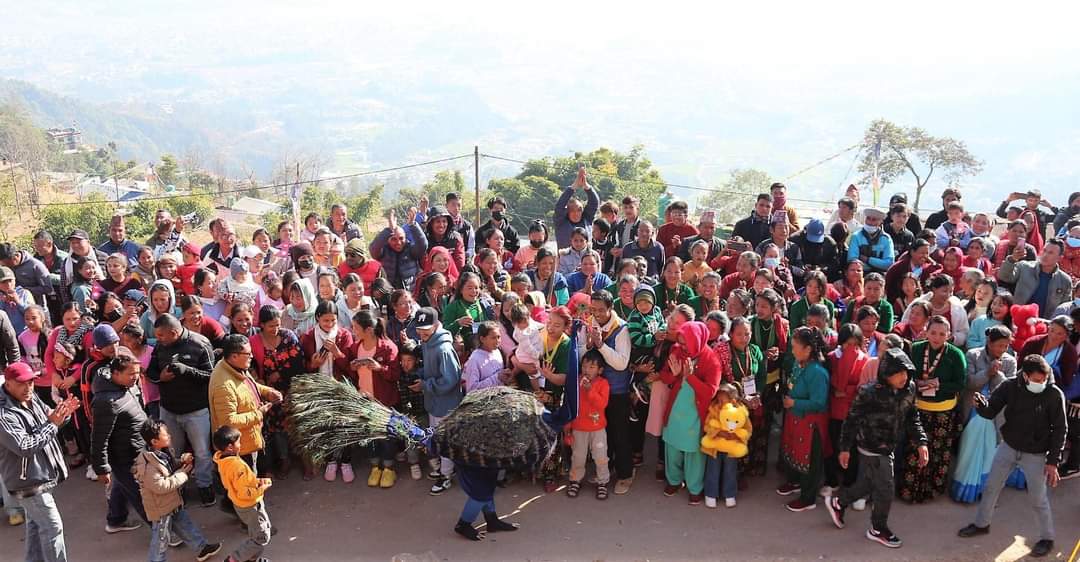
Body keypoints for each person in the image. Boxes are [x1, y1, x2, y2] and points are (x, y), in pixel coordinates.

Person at [957, 354, 1066, 558]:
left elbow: (1060, 429)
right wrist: (981, 406)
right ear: (1024, 376)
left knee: (1037, 498)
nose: (1040, 383)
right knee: (991, 487)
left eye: (1043, 379)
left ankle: (1046, 538)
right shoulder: (1009, 387)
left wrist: (1053, 462)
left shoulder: (1053, 394)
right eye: (1036, 380)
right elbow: (991, 411)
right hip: (1008, 446)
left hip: (1036, 453)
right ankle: (982, 524)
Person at [823, 348, 929, 549]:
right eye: (897, 373)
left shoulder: (909, 389)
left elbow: (912, 417)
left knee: (870, 482)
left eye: (905, 373)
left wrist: (921, 442)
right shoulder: (869, 392)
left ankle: (839, 502)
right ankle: (878, 529)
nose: (903, 378)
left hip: (890, 444)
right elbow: (852, 420)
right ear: (886, 373)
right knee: (886, 488)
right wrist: (844, 448)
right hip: (871, 446)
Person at [147, 313, 217, 507]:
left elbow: (211, 376)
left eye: (161, 336)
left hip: (196, 410)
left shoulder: (199, 344)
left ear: (174, 332)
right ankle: (179, 487)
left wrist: (187, 371)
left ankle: (205, 485)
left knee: (202, 452)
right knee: (172, 451)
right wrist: (161, 377)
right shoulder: (161, 346)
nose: (158, 340)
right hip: (169, 409)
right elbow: (151, 372)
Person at [899, 315, 966, 503]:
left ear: (949, 335)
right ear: (926, 332)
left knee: (938, 453)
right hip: (918, 409)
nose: (937, 337)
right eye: (933, 333)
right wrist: (916, 384)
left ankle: (932, 491)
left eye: (942, 334)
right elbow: (905, 375)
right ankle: (909, 491)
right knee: (914, 450)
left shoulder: (955, 355)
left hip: (944, 411)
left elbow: (960, 383)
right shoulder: (916, 349)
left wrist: (937, 385)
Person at [135, 419, 222, 562]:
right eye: (165, 434)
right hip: (161, 508)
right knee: (161, 540)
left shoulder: (161, 453)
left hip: (171, 503)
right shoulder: (148, 466)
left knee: (185, 524)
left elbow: (169, 467)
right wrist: (182, 474)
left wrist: (181, 461)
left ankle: (201, 548)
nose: (169, 435)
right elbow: (160, 486)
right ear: (154, 441)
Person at [658, 321, 721, 505]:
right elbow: (665, 375)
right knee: (672, 446)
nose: (682, 346)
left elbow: (710, 392)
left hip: (695, 412)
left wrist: (689, 377)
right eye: (680, 342)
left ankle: (695, 487)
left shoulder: (711, 360)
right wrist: (676, 374)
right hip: (677, 408)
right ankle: (674, 481)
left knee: (693, 451)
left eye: (686, 342)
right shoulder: (677, 351)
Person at [952, 326, 1017, 502]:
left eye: (1005, 346)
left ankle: (985, 491)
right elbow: (970, 382)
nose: (1002, 350)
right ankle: (964, 488)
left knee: (991, 454)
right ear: (989, 342)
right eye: (999, 345)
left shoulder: (1010, 361)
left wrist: (998, 374)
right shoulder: (973, 355)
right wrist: (987, 372)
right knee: (968, 451)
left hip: (995, 414)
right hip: (973, 411)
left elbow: (1009, 389)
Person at [577, 291, 633, 494]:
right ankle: (605, 470)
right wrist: (589, 346)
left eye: (602, 310)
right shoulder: (587, 324)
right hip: (592, 389)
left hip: (616, 390)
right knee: (602, 432)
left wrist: (600, 346)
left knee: (619, 434)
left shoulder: (621, 329)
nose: (597, 314)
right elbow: (581, 353)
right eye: (593, 309)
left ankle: (625, 475)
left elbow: (621, 363)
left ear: (611, 309)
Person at [91, 349, 150, 531]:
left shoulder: (125, 387)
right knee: (141, 495)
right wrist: (101, 468)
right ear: (116, 374)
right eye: (131, 374)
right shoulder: (106, 401)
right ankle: (162, 531)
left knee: (121, 485)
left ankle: (116, 519)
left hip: (135, 449)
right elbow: (99, 438)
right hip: (125, 457)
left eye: (137, 373)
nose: (135, 378)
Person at [407, 307, 463, 495]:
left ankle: (446, 477)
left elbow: (450, 380)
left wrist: (425, 385)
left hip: (445, 404)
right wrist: (421, 377)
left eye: (426, 329)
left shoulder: (443, 348)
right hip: (434, 402)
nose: (421, 333)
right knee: (437, 438)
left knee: (444, 440)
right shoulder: (427, 341)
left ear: (436, 325)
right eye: (419, 329)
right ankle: (444, 469)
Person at [776, 326, 831, 512]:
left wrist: (794, 403)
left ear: (808, 350)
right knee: (794, 452)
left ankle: (808, 498)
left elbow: (819, 402)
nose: (792, 351)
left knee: (810, 460)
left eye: (795, 347)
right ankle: (795, 482)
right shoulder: (799, 364)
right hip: (796, 419)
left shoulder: (817, 372)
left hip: (811, 425)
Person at [213, 425, 273, 562]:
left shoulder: (222, 460)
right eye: (239, 442)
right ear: (230, 447)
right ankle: (235, 559)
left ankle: (250, 559)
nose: (241, 444)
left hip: (240, 504)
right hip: (250, 505)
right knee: (262, 537)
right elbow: (244, 492)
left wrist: (256, 481)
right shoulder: (237, 466)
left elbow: (240, 483)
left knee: (256, 532)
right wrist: (261, 488)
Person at [566, 349, 610, 500]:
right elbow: (570, 405)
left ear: (600, 370)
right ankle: (575, 480)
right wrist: (568, 428)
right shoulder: (575, 382)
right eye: (585, 366)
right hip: (578, 428)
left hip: (598, 428)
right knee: (578, 456)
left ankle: (602, 481)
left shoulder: (603, 384)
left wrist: (590, 390)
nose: (587, 370)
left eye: (592, 367)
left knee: (601, 456)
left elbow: (602, 404)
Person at [700, 382, 750, 508]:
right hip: (715, 447)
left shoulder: (740, 411)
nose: (720, 403)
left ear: (733, 400)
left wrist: (737, 435)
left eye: (723, 400)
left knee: (730, 470)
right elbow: (707, 426)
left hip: (731, 447)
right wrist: (718, 432)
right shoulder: (713, 408)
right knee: (712, 469)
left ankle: (730, 494)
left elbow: (747, 429)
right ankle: (710, 494)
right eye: (718, 400)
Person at [997, 237, 1071, 319]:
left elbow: (1065, 308)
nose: (1045, 255)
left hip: (1045, 324)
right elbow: (1004, 277)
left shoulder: (1065, 281)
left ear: (1059, 258)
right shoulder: (1024, 267)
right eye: (1044, 250)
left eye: (1050, 253)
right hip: (1018, 318)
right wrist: (1012, 259)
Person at [369, 210, 428, 291]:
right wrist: (389, 230)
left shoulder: (410, 249)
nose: (398, 242)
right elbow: (373, 249)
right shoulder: (384, 250)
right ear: (388, 239)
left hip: (409, 292)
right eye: (394, 239)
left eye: (401, 238)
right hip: (388, 292)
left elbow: (423, 245)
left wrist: (412, 225)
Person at [555, 166, 600, 249]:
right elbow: (559, 206)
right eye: (572, 210)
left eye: (579, 210)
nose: (576, 213)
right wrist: (574, 186)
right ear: (567, 211)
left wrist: (586, 186)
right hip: (567, 261)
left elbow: (594, 203)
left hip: (586, 260)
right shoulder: (561, 222)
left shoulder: (587, 220)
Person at [0, 243, 53, 308]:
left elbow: (48, 288)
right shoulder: (4, 267)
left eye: (7, 263)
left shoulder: (35, 265)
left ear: (15, 256)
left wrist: (24, 291)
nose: (5, 266)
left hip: (36, 309)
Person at [847, 208, 894, 275]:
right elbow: (852, 260)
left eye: (874, 219)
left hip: (880, 275)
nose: (870, 222)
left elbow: (889, 263)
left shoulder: (886, 239)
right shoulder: (856, 236)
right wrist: (878, 263)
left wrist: (867, 259)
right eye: (868, 218)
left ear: (881, 222)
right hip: (860, 274)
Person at [791, 218, 840, 283]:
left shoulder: (830, 243)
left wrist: (820, 269)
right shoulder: (795, 240)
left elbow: (834, 264)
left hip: (821, 276)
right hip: (799, 275)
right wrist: (801, 267)